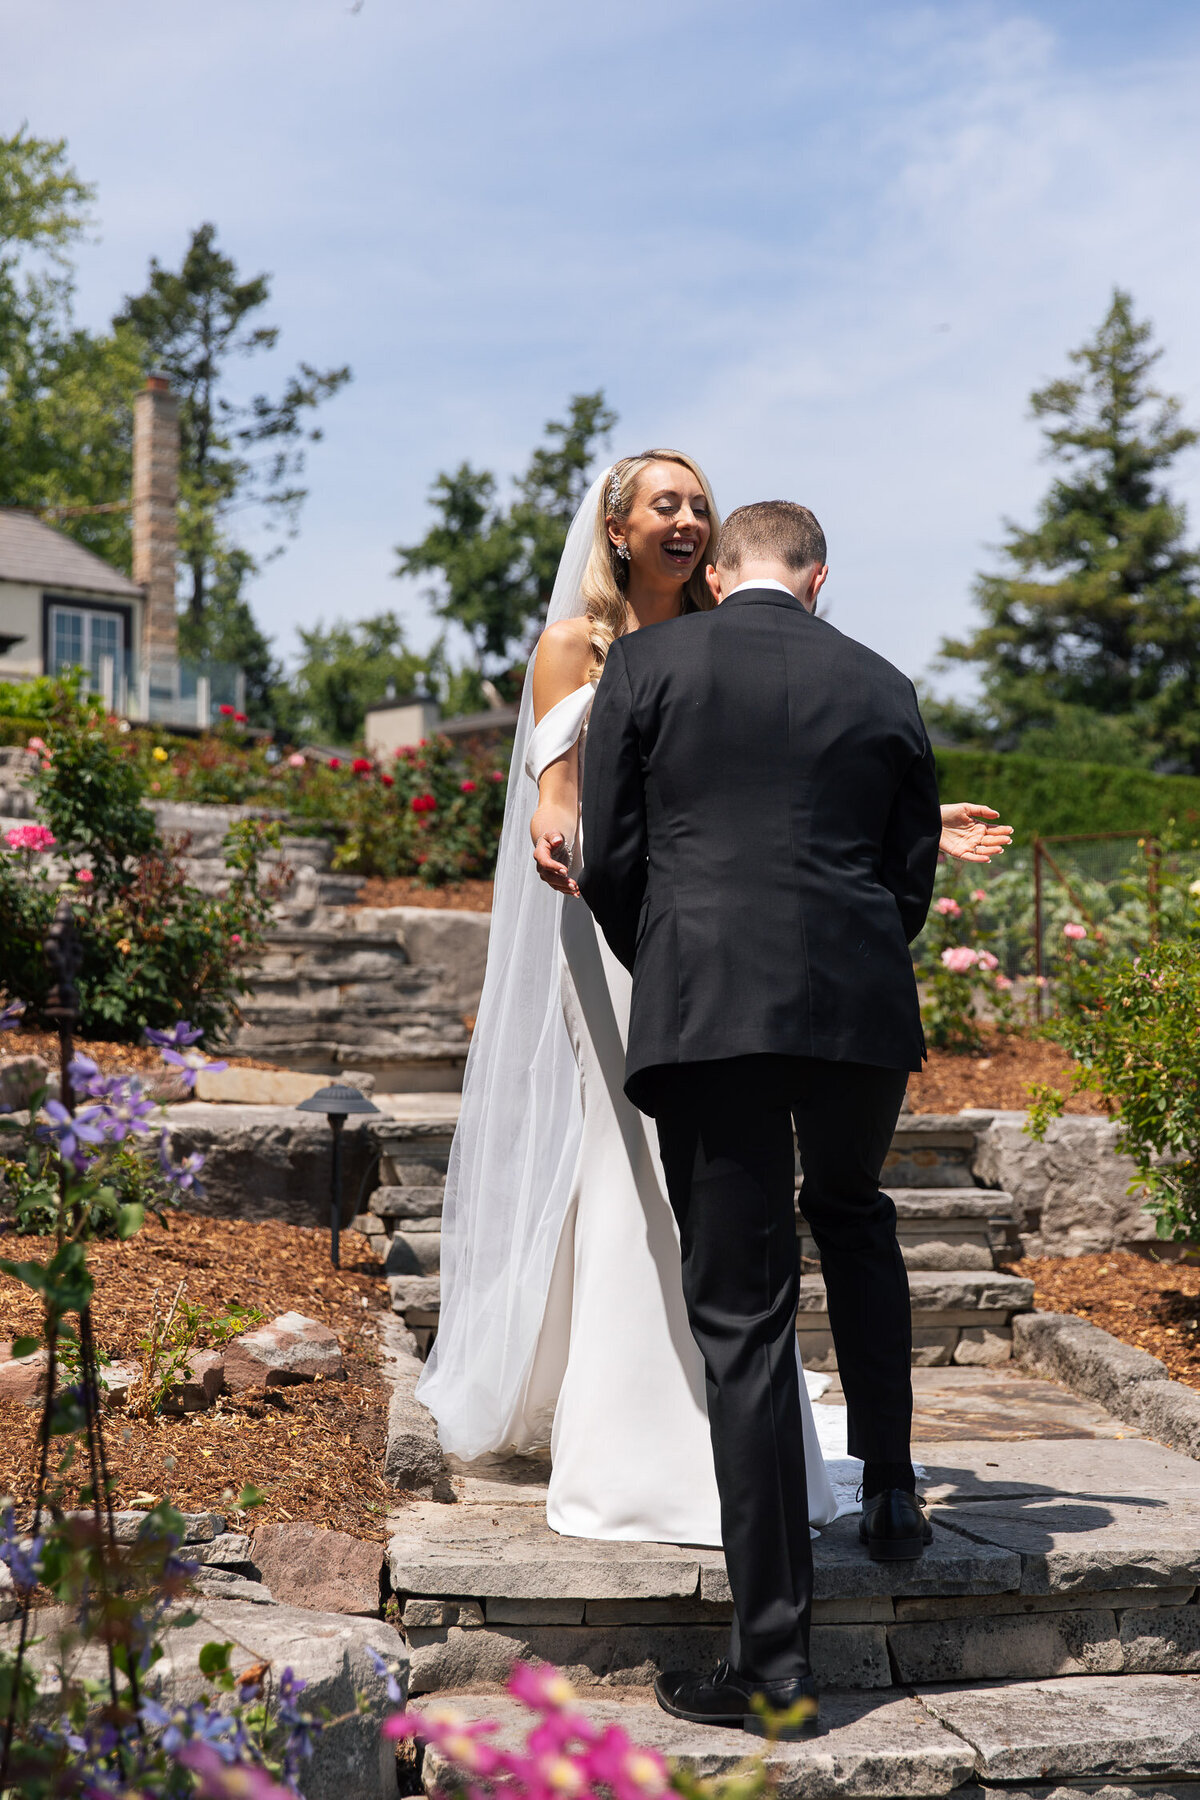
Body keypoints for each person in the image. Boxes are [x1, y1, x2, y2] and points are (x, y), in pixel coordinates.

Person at [415, 453, 1011, 1554]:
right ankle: (638, 1430)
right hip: (623, 935)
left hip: (691, 949)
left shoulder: (717, 639)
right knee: (645, 1184)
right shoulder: (579, 650)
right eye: (666, 504)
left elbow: (790, 796)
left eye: (700, 504)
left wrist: (911, 832)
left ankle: (731, 1447)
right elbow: (561, 796)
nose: (688, 518)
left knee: (728, 1222)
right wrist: (571, 841)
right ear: (619, 527)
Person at [579, 497, 948, 1739]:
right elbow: (911, 874)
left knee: (743, 1321)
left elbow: (613, 854)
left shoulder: (648, 659)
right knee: (854, 1214)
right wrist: (848, 957)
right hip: (858, 1012)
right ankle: (893, 1489)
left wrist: (675, 954)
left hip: (708, 1006)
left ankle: (780, 1672)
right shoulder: (885, 681)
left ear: (722, 570)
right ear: (819, 578)